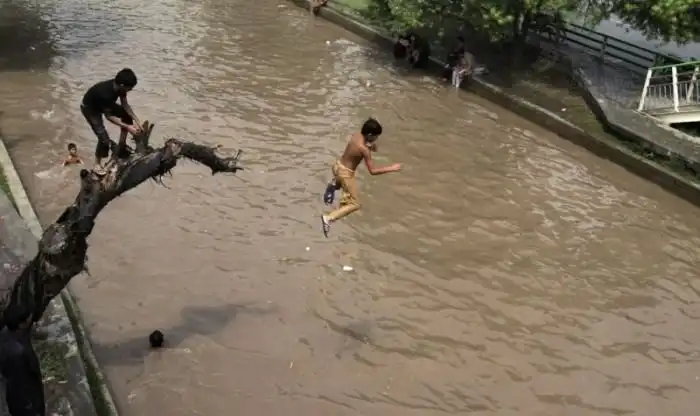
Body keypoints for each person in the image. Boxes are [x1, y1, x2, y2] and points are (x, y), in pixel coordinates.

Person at [320, 118, 401, 237]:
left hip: (337, 166)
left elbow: (358, 147)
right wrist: (392, 168)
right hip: (345, 174)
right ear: (370, 135)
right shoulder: (364, 150)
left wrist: (371, 146)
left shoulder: (356, 135)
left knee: (340, 181)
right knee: (355, 204)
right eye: (375, 137)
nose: (376, 139)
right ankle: (329, 218)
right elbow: (372, 171)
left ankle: (333, 185)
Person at [80, 68, 142, 175]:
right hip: (90, 108)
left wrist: (137, 120)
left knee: (126, 115)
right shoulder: (105, 94)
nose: (130, 90)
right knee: (103, 138)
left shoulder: (120, 88)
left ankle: (121, 145)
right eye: (129, 88)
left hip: (104, 104)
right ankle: (97, 164)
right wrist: (128, 127)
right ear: (122, 85)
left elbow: (125, 105)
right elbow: (109, 117)